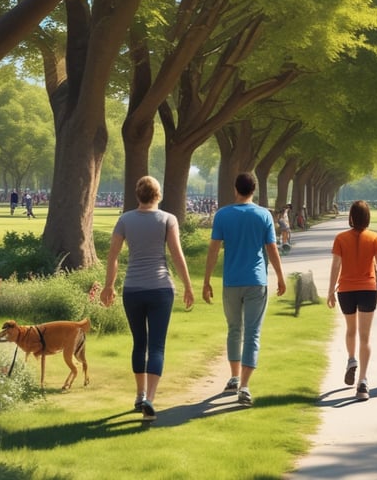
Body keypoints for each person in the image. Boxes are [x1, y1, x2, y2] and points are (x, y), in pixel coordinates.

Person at [101, 176, 194, 422]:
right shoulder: (167, 219)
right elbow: (176, 254)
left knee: (139, 343)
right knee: (157, 346)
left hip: (132, 289)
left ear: (138, 195)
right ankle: (150, 399)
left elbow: (113, 256)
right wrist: (188, 285)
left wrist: (108, 286)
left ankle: (140, 394)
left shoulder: (125, 220)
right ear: (159, 195)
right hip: (161, 288)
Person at [202, 172, 287, 407]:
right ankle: (245, 387)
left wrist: (206, 280)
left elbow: (213, 250)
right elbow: (271, 249)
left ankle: (234, 376)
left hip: (231, 281)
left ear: (235, 188)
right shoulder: (263, 215)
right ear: (255, 189)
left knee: (234, 329)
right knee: (252, 333)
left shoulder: (223, 215)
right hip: (256, 280)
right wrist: (280, 276)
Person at [327, 200, 377, 401]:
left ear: (351, 216)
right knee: (365, 336)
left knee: (351, 329)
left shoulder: (340, 238)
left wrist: (331, 291)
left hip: (346, 290)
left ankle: (351, 360)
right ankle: (363, 382)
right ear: (368, 217)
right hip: (367, 288)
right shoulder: (375, 238)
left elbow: (335, 267)